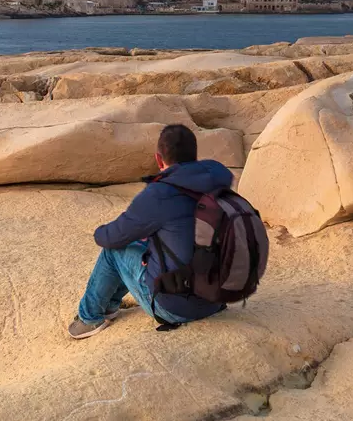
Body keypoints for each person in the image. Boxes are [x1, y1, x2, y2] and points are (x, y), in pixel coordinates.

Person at [68, 123, 231, 339]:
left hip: (176, 308)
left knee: (114, 251)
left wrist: (98, 231)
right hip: (215, 299)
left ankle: (89, 318)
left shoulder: (159, 195)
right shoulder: (216, 182)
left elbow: (113, 236)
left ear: (158, 159)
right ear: (194, 156)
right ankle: (111, 305)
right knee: (149, 243)